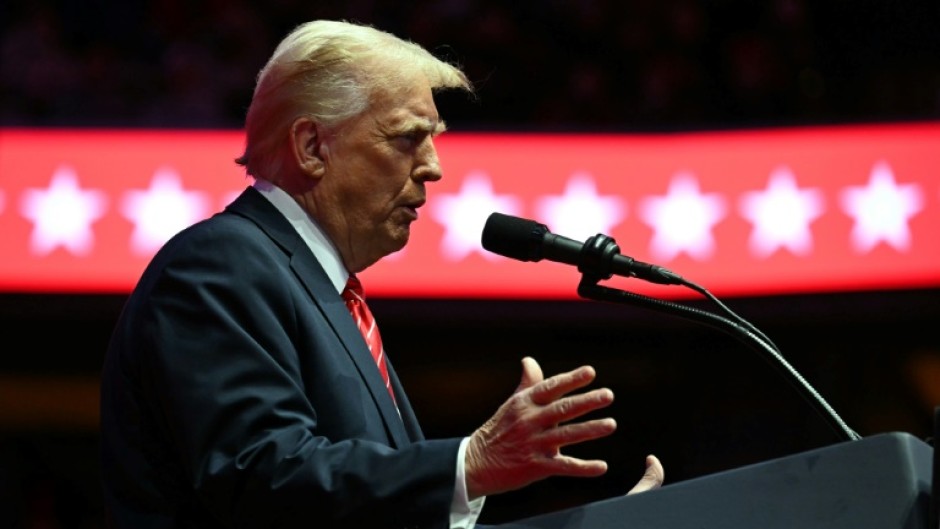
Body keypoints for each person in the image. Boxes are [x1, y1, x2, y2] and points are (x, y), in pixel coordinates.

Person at [98, 19, 664, 529]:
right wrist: (470, 462)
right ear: (311, 146)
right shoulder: (220, 264)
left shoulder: (330, 294)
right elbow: (261, 477)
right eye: (407, 138)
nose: (434, 167)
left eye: (434, 139)